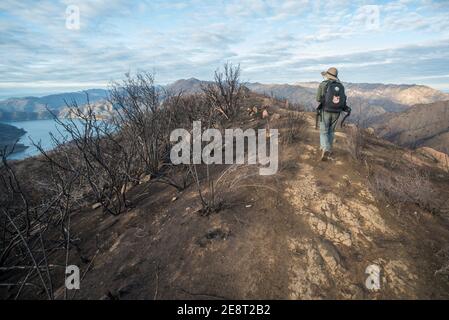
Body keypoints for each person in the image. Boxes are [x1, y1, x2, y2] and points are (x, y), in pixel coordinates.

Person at [316, 67, 348, 161]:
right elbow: (344, 99)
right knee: (331, 131)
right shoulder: (341, 86)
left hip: (325, 110)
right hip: (337, 111)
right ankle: (326, 148)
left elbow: (318, 98)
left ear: (327, 76)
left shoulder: (323, 84)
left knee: (324, 130)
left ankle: (325, 149)